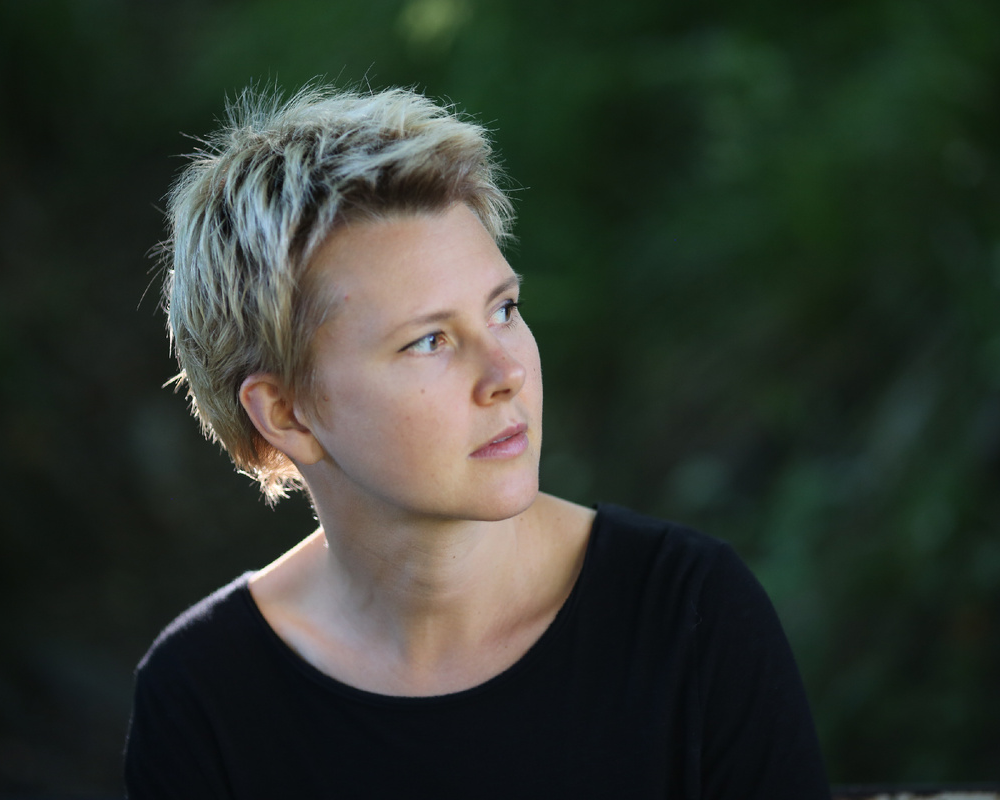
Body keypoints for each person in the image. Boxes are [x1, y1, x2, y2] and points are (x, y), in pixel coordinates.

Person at [124, 84, 831, 799]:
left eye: (504, 309)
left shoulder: (690, 617)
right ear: (288, 415)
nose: (507, 372)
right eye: (429, 340)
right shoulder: (201, 698)